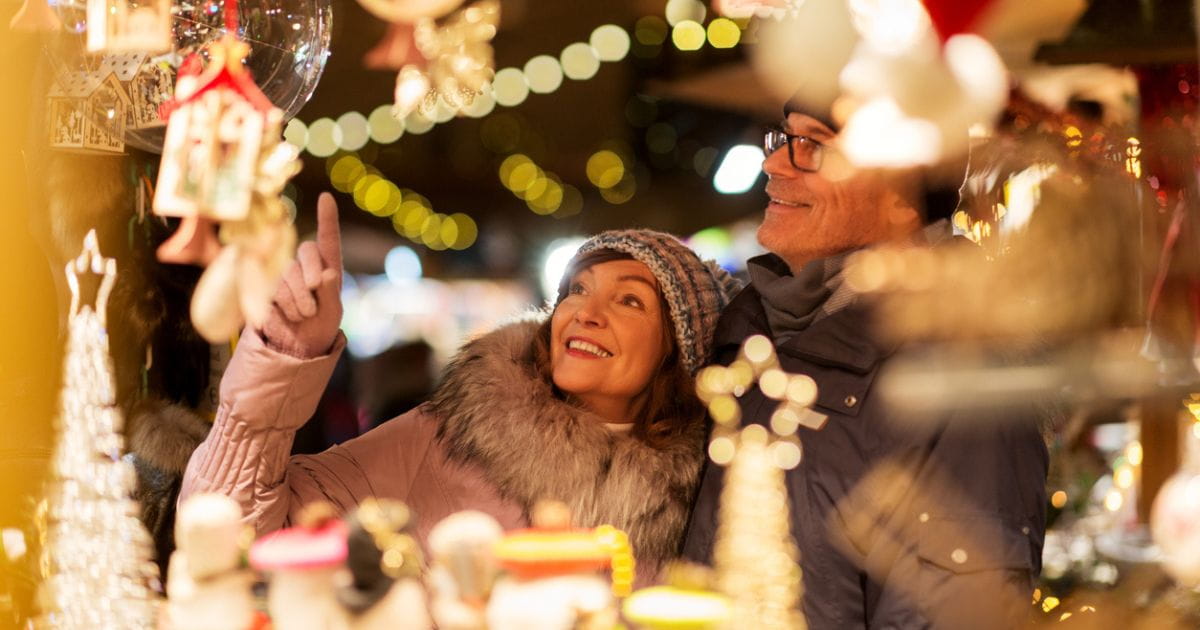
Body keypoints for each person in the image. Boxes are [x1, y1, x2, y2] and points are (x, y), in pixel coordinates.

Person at [179, 193, 741, 579]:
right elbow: (232, 531)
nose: (584, 313)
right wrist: (283, 358)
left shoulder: (703, 499)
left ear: (678, 351)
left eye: (629, 300)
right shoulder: (450, 436)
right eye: (577, 289)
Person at [681, 102, 1049, 628]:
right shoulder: (744, 331)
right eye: (784, 138)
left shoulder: (964, 370)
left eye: (814, 146)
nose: (776, 165)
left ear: (905, 194)